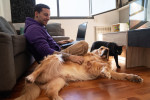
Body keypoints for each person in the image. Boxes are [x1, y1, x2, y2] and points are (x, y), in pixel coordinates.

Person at [24, 4, 89, 64]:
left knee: (74, 42)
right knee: (83, 44)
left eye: (49, 15)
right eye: (46, 15)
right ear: (36, 14)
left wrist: (58, 43)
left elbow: (46, 43)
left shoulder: (38, 26)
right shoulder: (34, 29)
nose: (48, 18)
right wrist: (70, 57)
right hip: (53, 58)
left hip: (57, 52)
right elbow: (45, 51)